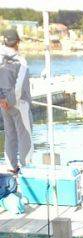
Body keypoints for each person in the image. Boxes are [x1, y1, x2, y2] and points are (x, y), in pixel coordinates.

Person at [0, 28, 33, 174]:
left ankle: (11, 166)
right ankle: (27, 169)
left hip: (3, 105)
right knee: (25, 135)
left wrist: (2, 100)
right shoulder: (21, 61)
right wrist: (9, 100)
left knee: (10, 134)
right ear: (17, 42)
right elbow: (19, 86)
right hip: (19, 104)